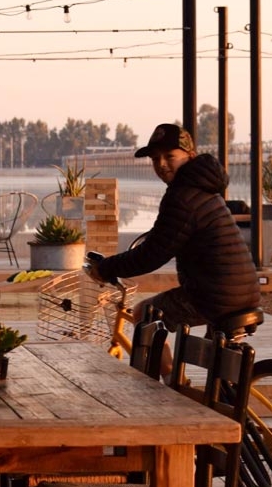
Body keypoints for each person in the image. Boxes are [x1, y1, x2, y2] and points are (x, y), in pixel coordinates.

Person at [87, 123, 261, 352]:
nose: (161, 164)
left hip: (215, 296)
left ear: (190, 156)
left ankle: (163, 386)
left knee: (144, 315)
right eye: (155, 158)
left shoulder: (182, 196)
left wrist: (107, 268)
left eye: (169, 156)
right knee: (217, 364)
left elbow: (152, 255)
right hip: (245, 291)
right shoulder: (205, 187)